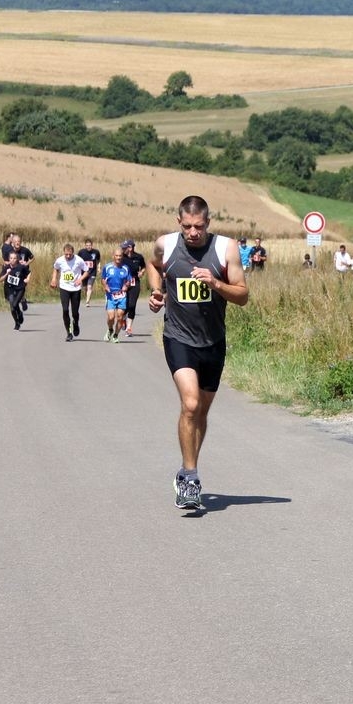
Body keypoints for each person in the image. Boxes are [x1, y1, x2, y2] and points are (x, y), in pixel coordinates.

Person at [146, 195, 249, 510]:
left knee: (201, 412)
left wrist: (216, 283)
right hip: (178, 337)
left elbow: (243, 295)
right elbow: (152, 264)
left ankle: (186, 467)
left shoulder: (225, 249)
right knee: (190, 405)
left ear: (208, 222)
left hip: (213, 342)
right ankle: (190, 477)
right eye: (188, 226)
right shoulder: (165, 244)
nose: (193, 232)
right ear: (179, 222)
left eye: (199, 227)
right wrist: (157, 291)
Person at [49, 242, 88, 342]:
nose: (68, 256)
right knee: (65, 310)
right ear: (64, 252)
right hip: (64, 288)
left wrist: (81, 279)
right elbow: (56, 268)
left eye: (70, 254)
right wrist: (54, 279)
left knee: (75, 312)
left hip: (76, 289)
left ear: (73, 253)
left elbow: (86, 271)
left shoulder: (79, 260)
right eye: (66, 254)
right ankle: (69, 333)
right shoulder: (60, 260)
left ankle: (76, 323)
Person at [101, 247, 131, 342]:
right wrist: (105, 286)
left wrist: (126, 286)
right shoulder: (107, 267)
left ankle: (116, 335)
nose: (118, 258)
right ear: (113, 256)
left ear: (122, 257)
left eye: (120, 256)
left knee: (120, 316)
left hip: (121, 295)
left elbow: (129, 281)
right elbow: (103, 279)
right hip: (110, 295)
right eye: (117, 256)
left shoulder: (126, 268)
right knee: (111, 317)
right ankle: (110, 329)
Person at [0, 251, 30, 330]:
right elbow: (0, 279)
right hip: (10, 289)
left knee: (15, 305)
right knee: (12, 307)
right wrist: (6, 274)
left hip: (20, 289)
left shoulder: (21, 267)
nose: (13, 260)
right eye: (11, 258)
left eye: (14, 258)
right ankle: (17, 322)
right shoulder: (6, 268)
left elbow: (29, 272)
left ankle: (20, 314)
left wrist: (27, 279)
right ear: (9, 259)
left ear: (17, 259)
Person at [120, 239, 146, 337]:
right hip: (123, 283)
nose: (122, 249)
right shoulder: (122, 257)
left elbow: (143, 266)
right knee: (124, 305)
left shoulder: (138, 257)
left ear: (130, 248)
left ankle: (129, 328)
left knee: (132, 305)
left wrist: (142, 272)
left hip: (135, 282)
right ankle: (122, 318)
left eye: (124, 248)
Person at [78, 238, 102, 306]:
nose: (88, 246)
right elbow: (78, 261)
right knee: (85, 287)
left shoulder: (96, 252)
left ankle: (87, 302)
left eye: (90, 245)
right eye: (87, 245)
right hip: (84, 273)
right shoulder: (81, 252)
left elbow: (98, 260)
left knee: (89, 287)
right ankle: (87, 297)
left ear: (92, 245)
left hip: (92, 272)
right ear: (85, 246)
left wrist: (99, 268)